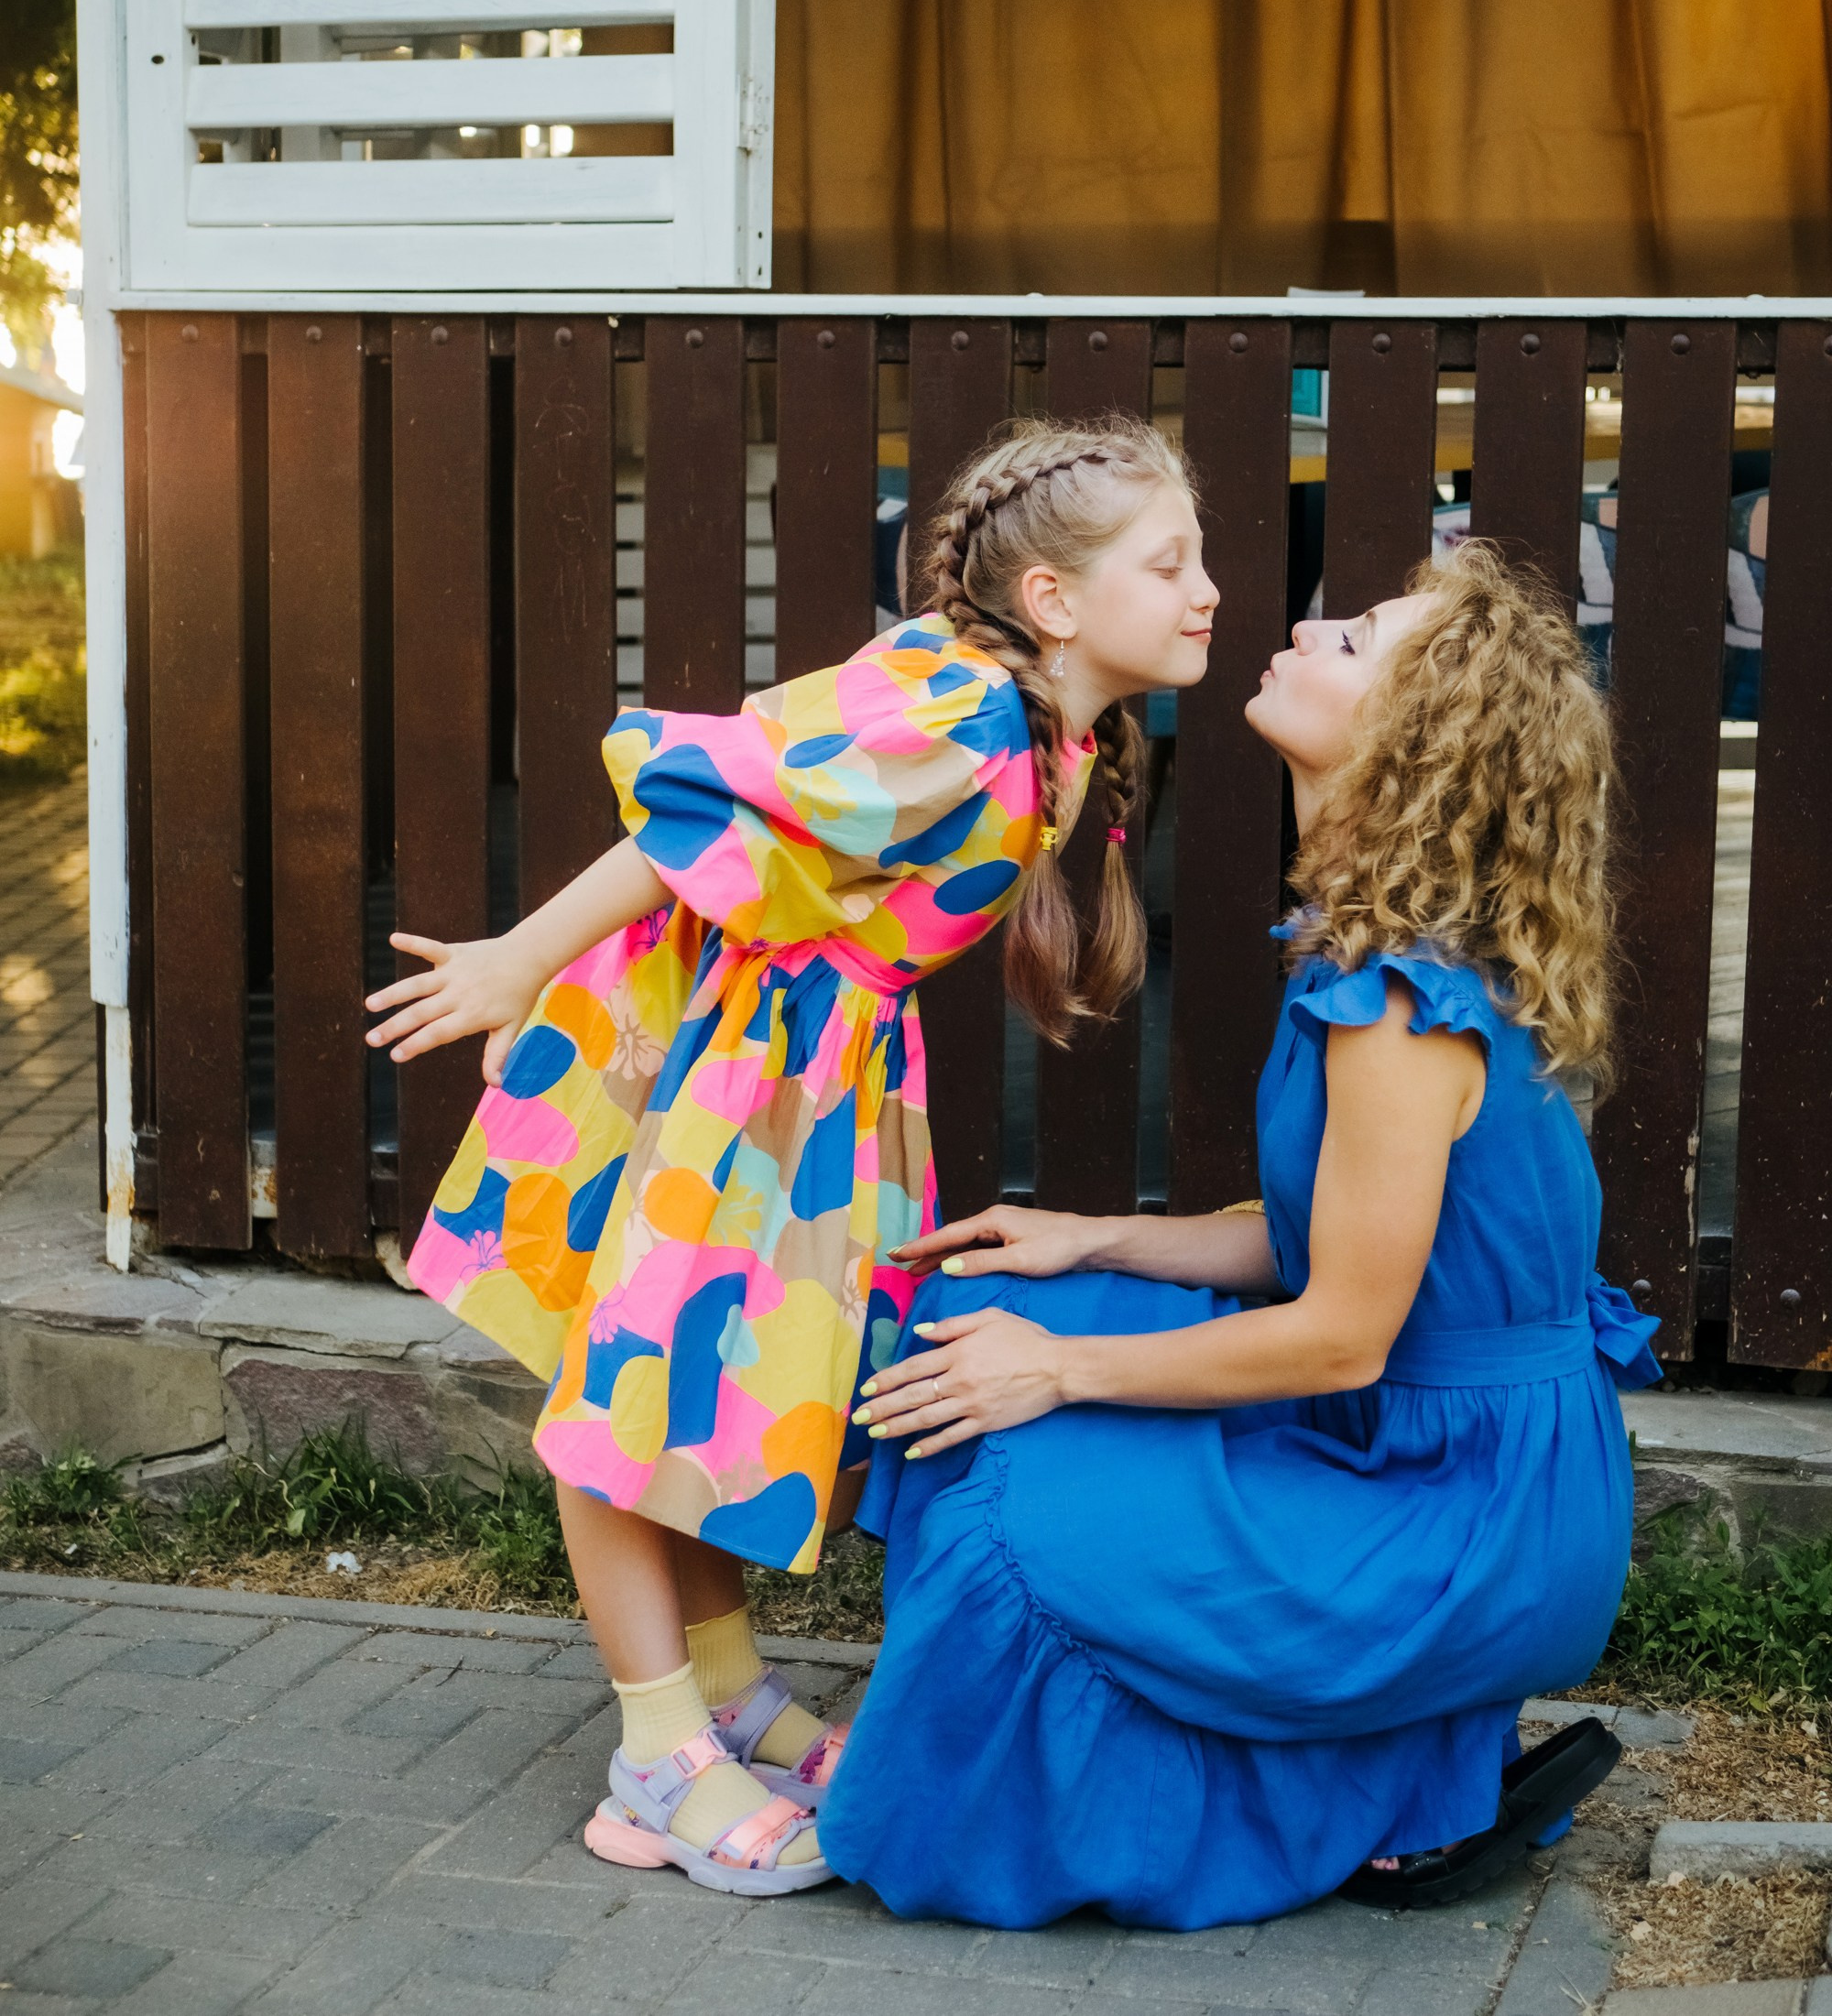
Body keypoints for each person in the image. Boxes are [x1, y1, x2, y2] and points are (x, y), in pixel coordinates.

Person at [365, 411, 1218, 1897]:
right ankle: (656, 1755)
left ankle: (732, 1694)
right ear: (1056, 601)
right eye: (1172, 561)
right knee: (629, 1394)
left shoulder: (1050, 735)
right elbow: (714, 797)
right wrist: (518, 959)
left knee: (713, 1384)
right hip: (722, 1062)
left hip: (810, 1076)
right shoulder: (955, 709)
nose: (1208, 587)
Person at [819, 540, 1662, 1929]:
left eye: (1355, 643)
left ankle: (1364, 1775)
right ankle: (1395, 1763)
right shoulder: (1367, 947)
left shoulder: (1400, 1005)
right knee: (1006, 1333)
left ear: (1414, 741)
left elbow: (1339, 1331)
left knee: (1019, 1501)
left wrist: (1060, 1370)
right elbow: (1308, 1245)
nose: (1309, 627)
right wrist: (1084, 1244)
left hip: (1465, 1511)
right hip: (1427, 1442)